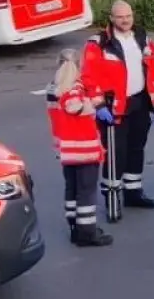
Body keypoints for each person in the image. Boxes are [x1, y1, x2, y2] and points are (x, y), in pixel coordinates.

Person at [81, 0, 154, 212]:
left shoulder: (143, 39)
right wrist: (99, 105)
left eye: (128, 16)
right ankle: (112, 198)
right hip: (113, 106)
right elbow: (89, 77)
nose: (125, 20)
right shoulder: (98, 43)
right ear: (111, 18)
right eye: (120, 17)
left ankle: (133, 193)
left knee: (136, 148)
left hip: (139, 101)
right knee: (115, 153)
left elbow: (153, 71)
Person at [46, 49, 114, 247]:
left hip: (65, 148)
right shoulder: (74, 87)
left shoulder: (52, 87)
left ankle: (75, 227)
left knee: (72, 189)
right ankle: (88, 232)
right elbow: (74, 107)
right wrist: (95, 107)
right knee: (86, 192)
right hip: (84, 149)